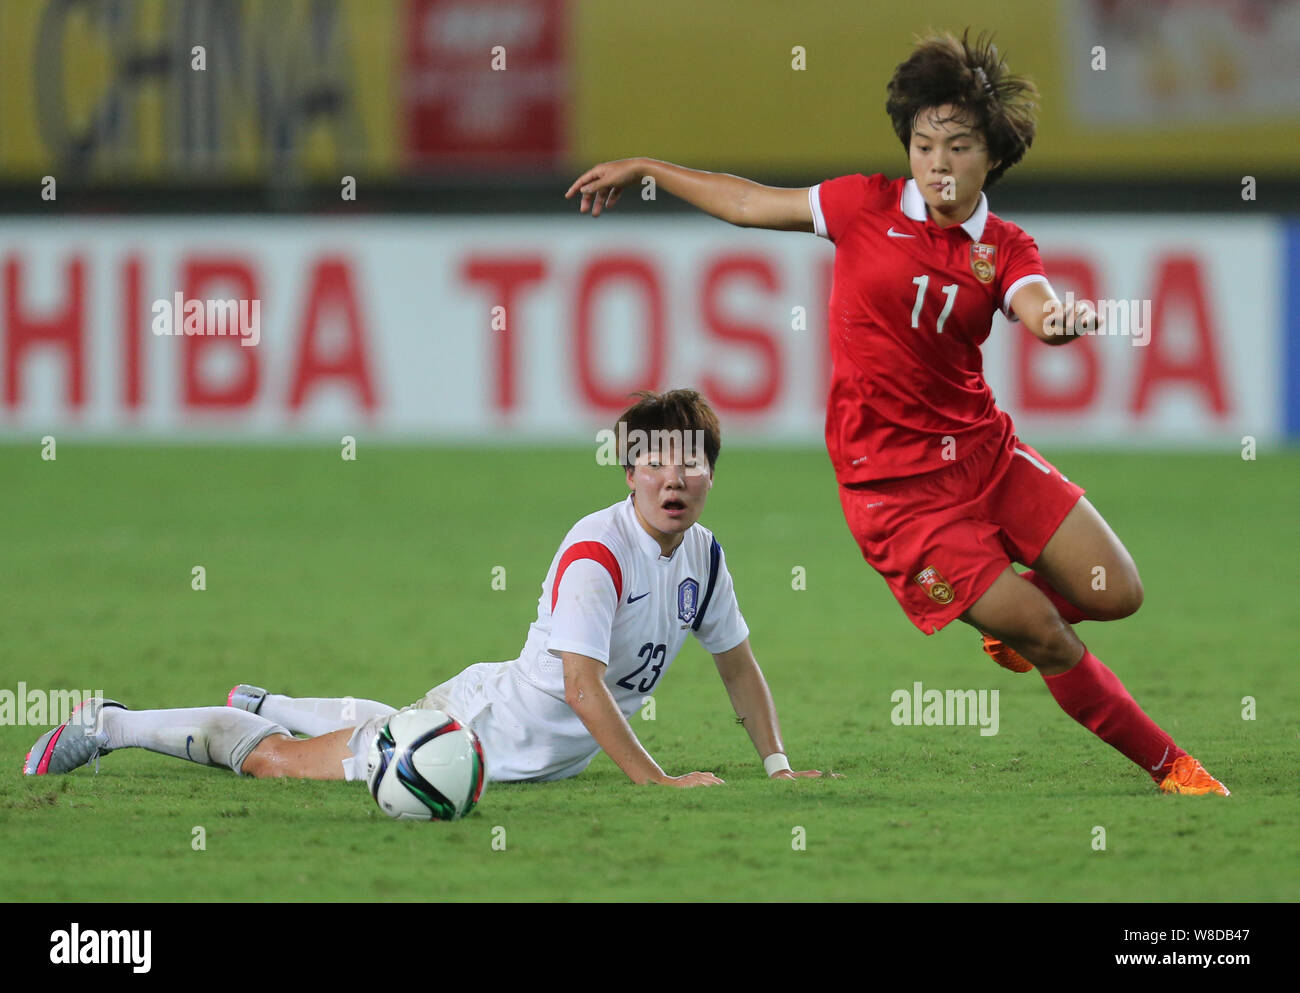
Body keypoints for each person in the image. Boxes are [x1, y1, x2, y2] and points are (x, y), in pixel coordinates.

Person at [565, 30, 1227, 795]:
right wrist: (649, 168)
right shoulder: (862, 206)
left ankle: (1010, 626)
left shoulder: (1004, 246)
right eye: (924, 145)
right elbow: (748, 202)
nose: (938, 163)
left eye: (959, 146)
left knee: (1118, 592)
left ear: (993, 156)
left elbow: (1036, 306)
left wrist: (1058, 322)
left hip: (987, 455)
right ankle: (1173, 768)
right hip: (897, 497)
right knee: (1049, 635)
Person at [24, 390, 824, 789]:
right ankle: (119, 725)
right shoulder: (599, 553)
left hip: (510, 736)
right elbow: (582, 685)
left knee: (363, 724)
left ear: (711, 474)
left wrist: (779, 766)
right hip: (470, 732)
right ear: (628, 471)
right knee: (285, 766)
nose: (673, 478)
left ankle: (268, 697)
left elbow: (738, 666)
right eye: (654, 462)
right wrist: (658, 783)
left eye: (690, 463)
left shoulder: (705, 558)